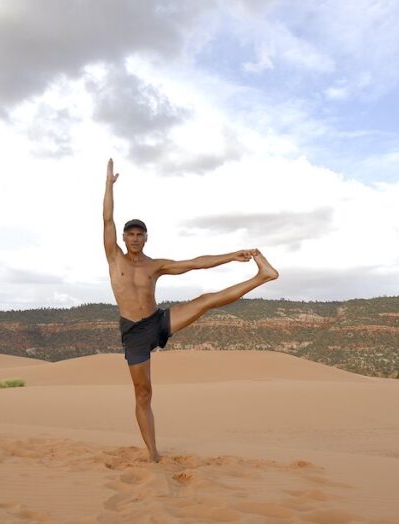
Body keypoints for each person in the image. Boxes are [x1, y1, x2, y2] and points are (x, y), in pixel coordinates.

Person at [102, 158, 278, 462]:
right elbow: (106, 220)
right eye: (130, 234)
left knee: (206, 300)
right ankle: (153, 455)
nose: (134, 238)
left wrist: (230, 256)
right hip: (134, 333)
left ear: (146, 237)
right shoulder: (113, 257)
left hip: (157, 321)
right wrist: (108, 186)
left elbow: (194, 263)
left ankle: (263, 276)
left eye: (139, 234)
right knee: (143, 395)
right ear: (123, 238)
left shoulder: (154, 266)